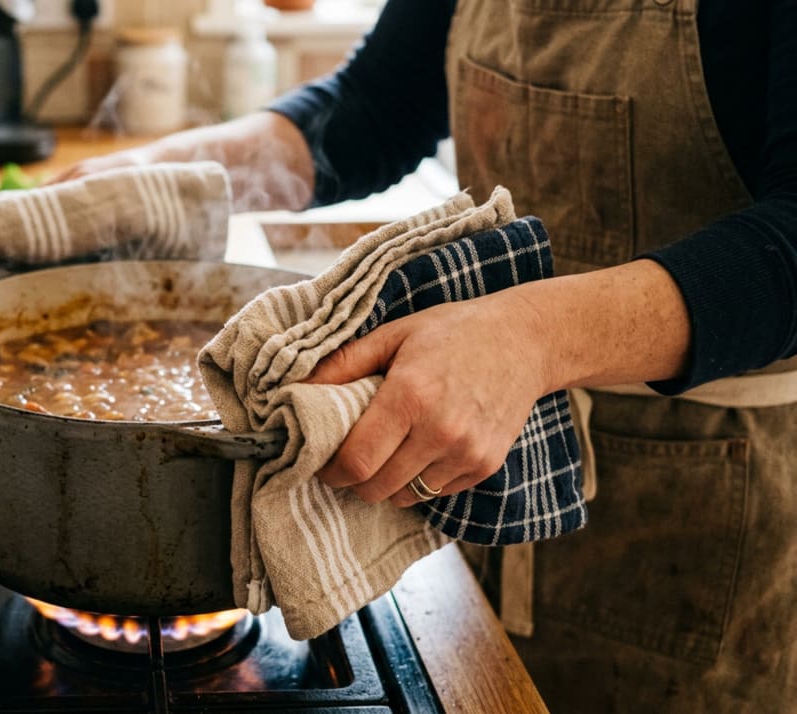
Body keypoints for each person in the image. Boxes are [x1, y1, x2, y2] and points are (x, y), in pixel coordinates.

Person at [55, 0, 797, 711]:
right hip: (461, 477)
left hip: (700, 510)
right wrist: (167, 176)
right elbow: (376, 108)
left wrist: (531, 337)